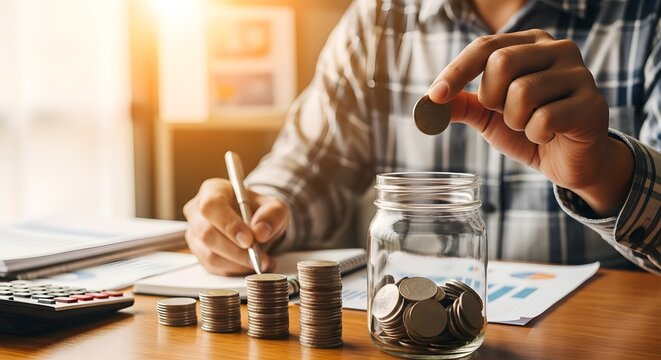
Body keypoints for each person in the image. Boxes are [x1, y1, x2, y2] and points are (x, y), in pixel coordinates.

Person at [183, 0, 660, 276]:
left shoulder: (647, 20)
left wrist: (606, 175)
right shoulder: (377, 20)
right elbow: (310, 166)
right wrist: (259, 209)